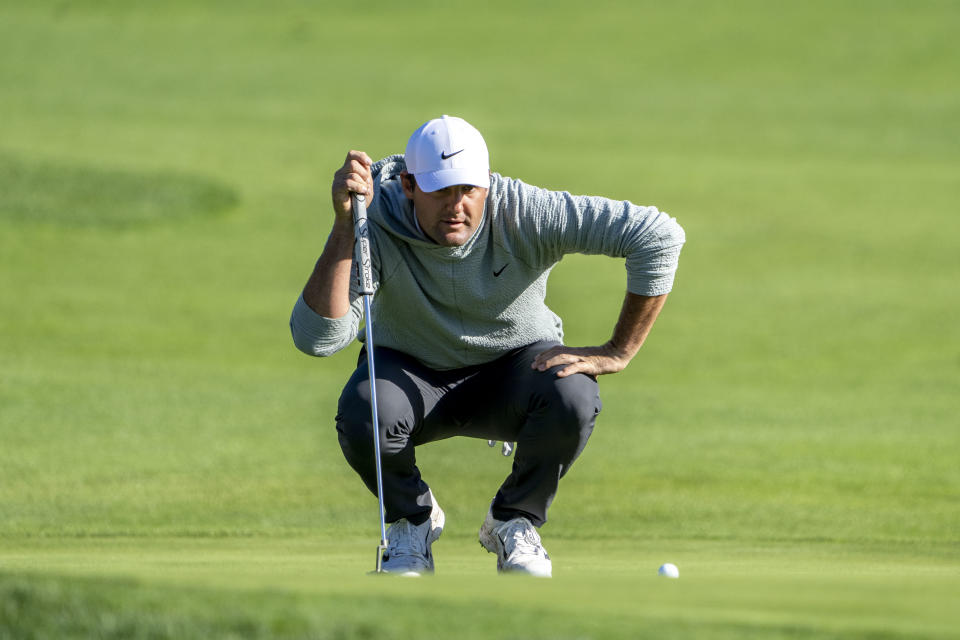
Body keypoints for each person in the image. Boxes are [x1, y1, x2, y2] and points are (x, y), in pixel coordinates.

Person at [290, 115, 685, 577]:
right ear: (409, 185)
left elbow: (658, 235)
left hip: (512, 371)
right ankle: (411, 522)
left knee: (573, 393)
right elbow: (318, 339)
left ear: (487, 185)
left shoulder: (523, 210)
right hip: (411, 373)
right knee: (365, 408)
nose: (456, 206)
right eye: (441, 191)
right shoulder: (370, 220)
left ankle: (513, 521)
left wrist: (619, 349)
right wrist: (344, 226)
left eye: (469, 190)